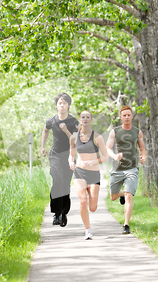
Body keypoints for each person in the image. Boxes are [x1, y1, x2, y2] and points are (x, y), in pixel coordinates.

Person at [106, 105, 146, 234]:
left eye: (129, 115)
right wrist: (115, 156)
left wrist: (143, 157)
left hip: (131, 168)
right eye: (124, 115)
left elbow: (142, 148)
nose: (127, 117)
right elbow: (107, 148)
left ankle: (126, 225)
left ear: (132, 116)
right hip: (117, 169)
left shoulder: (137, 132)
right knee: (113, 197)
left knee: (130, 196)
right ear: (121, 117)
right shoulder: (115, 131)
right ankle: (121, 193)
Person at [41, 93, 79, 227]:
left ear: (68, 105)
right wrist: (42, 147)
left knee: (65, 184)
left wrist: (66, 130)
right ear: (56, 106)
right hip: (55, 155)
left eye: (64, 103)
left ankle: (64, 212)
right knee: (57, 180)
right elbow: (45, 131)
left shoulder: (73, 122)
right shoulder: (51, 120)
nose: (61, 105)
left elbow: (75, 140)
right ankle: (56, 214)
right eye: (59, 103)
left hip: (69, 156)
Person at [69, 111, 108, 240]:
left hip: (93, 174)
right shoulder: (74, 137)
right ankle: (88, 230)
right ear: (80, 120)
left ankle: (89, 226)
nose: (85, 119)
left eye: (88, 117)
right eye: (83, 117)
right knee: (83, 201)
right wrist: (71, 162)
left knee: (92, 207)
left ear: (91, 119)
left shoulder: (97, 137)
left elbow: (105, 156)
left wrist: (94, 161)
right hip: (79, 172)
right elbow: (71, 154)